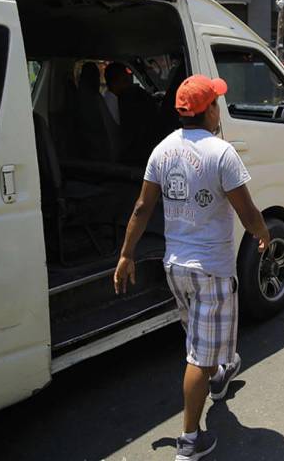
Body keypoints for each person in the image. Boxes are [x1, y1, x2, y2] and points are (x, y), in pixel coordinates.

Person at [113, 75, 271, 461]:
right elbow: (246, 209)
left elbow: (141, 208)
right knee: (198, 357)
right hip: (211, 270)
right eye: (217, 101)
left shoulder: (162, 150)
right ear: (210, 110)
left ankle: (220, 376)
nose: (219, 107)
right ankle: (189, 440)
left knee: (199, 338)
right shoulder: (221, 153)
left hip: (176, 267)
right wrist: (263, 234)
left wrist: (125, 254)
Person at [105, 62, 159, 165]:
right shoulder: (118, 101)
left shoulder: (113, 99)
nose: (129, 82)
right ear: (117, 81)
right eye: (125, 79)